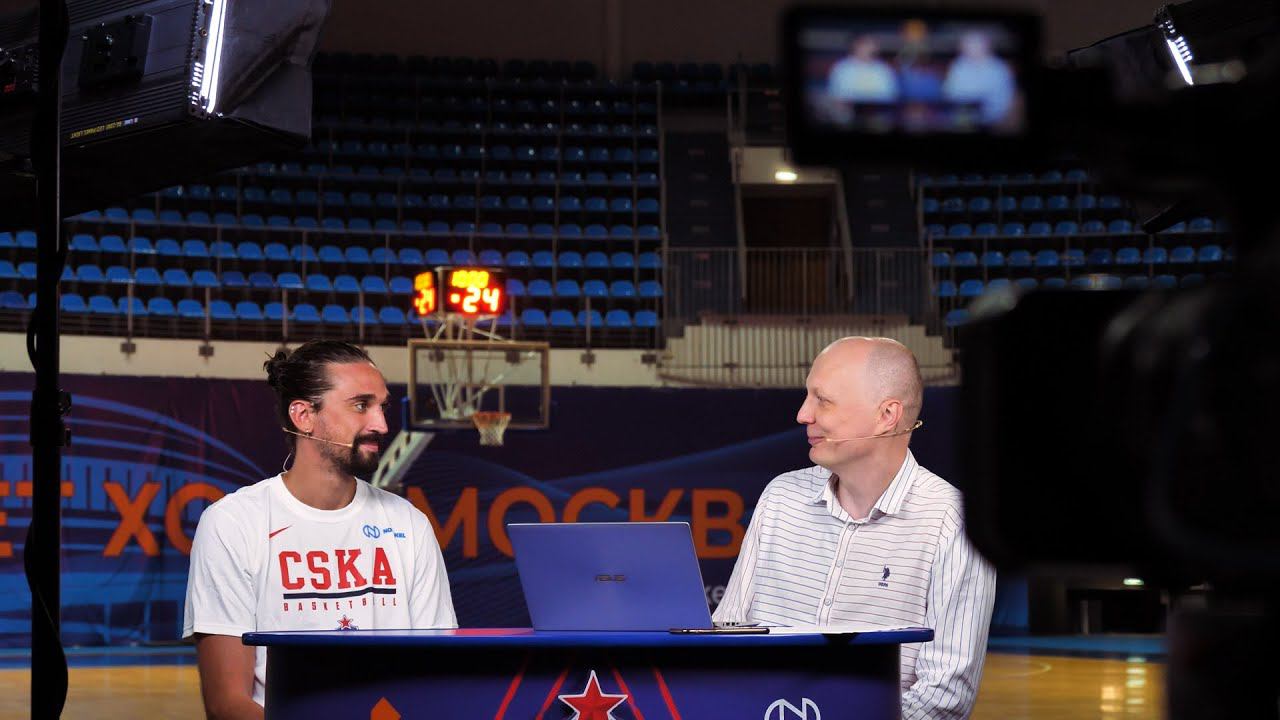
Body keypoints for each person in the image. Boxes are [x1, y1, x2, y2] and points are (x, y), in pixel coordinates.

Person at [713, 337, 995, 719]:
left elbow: (945, 697)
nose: (803, 414)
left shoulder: (954, 522)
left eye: (823, 400)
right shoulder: (780, 497)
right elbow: (726, 634)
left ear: (887, 415)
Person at [183, 340, 456, 718]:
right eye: (361, 405)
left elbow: (436, 678)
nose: (381, 424)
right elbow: (227, 704)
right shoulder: (233, 523)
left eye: (382, 407)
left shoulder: (409, 524)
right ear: (303, 416)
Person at [941, 31, 1015, 125]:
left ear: (986, 46)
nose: (968, 49)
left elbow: (1002, 100)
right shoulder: (959, 64)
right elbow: (948, 90)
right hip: (959, 113)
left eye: (974, 45)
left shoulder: (998, 68)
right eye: (965, 46)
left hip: (989, 118)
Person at [827, 35, 900, 103]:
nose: (869, 48)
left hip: (878, 108)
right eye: (866, 44)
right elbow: (837, 95)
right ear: (855, 46)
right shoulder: (842, 68)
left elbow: (891, 95)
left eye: (872, 45)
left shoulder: (883, 69)